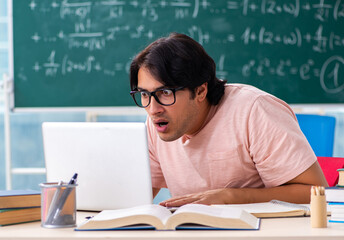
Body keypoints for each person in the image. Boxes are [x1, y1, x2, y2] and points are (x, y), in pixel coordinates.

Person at [129, 32, 328, 207]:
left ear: (200, 91)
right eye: (144, 95)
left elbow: (316, 192)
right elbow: (132, 199)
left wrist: (232, 196)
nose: (153, 109)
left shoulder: (254, 111)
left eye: (164, 92)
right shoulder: (157, 124)